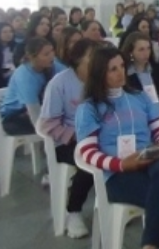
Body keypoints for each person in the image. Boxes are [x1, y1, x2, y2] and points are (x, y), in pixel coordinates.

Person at [74, 47, 159, 249]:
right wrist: (121, 164)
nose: (120, 72)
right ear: (99, 73)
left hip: (148, 161)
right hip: (116, 176)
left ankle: (150, 245)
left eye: (122, 66)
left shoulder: (139, 97)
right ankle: (152, 244)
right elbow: (87, 153)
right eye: (112, 69)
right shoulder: (89, 108)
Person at [39, 38, 98, 238]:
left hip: (97, 136)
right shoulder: (59, 83)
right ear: (78, 59)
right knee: (90, 160)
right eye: (92, 56)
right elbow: (48, 124)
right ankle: (74, 210)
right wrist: (75, 136)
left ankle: (114, 201)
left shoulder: (100, 80)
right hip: (66, 141)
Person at [0, 37, 59, 136]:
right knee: (58, 127)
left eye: (52, 51)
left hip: (37, 110)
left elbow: (68, 77)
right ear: (32, 57)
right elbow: (34, 111)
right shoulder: (24, 75)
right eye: (46, 54)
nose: (51, 56)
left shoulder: (52, 64)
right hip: (14, 117)